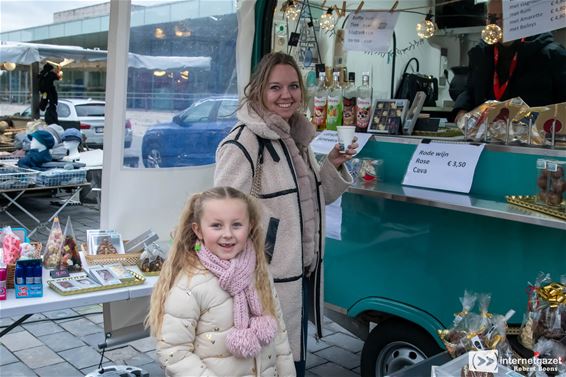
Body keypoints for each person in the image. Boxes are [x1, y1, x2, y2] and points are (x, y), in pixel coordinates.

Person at [214, 52, 357, 376]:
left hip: (297, 278)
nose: (286, 95)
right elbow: (221, 221)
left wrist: (331, 166)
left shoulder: (295, 139)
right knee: (269, 367)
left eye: (293, 86)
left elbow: (310, 205)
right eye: (275, 87)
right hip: (263, 285)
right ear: (258, 91)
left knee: (292, 364)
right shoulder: (244, 143)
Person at [146, 187, 295, 377]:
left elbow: (278, 334)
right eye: (217, 225)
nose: (227, 234)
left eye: (237, 225)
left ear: (250, 226)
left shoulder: (259, 271)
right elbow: (173, 352)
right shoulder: (190, 284)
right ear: (198, 230)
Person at [454, 0, 566, 122]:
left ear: (521, 18)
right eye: (490, 17)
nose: (493, 24)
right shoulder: (481, 54)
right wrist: (461, 110)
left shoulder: (551, 54)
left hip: (534, 137)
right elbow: (470, 89)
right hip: (486, 135)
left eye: (502, 18)